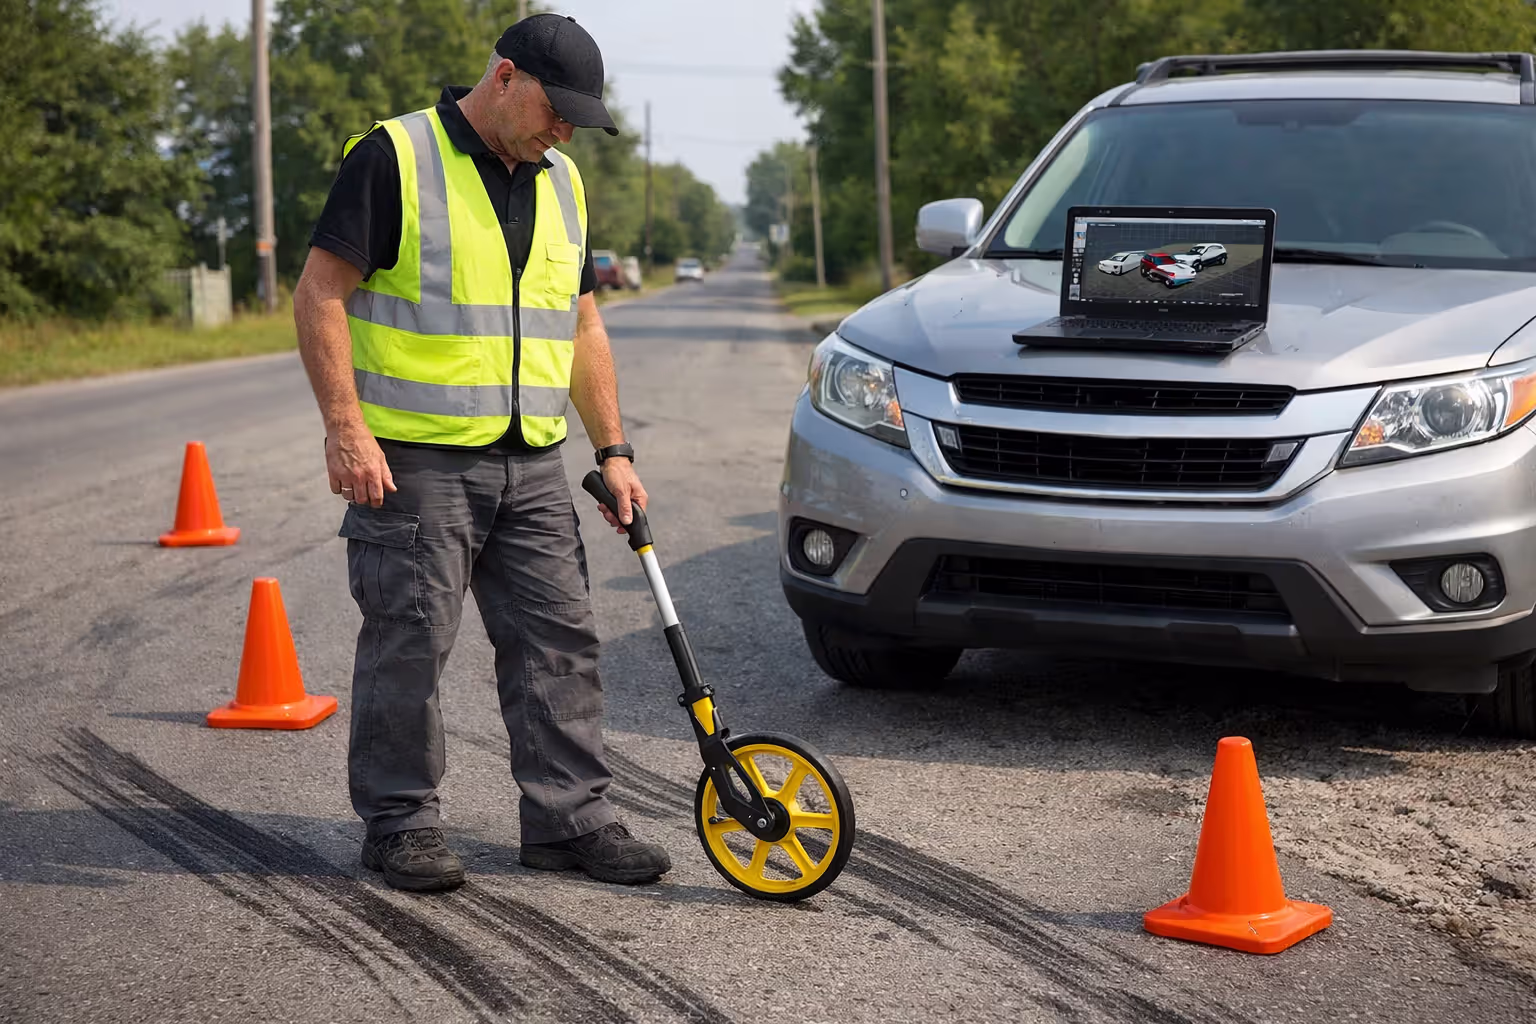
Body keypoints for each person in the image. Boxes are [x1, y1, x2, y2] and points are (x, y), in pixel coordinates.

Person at [292, 13, 669, 893]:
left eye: (578, 119)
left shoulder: (562, 182)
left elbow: (579, 322)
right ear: (505, 77)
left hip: (533, 458)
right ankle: (400, 824)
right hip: (416, 461)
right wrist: (346, 427)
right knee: (410, 644)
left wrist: (611, 448)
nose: (564, 130)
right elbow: (319, 294)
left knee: (560, 641)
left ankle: (569, 821)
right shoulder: (395, 157)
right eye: (555, 109)